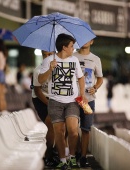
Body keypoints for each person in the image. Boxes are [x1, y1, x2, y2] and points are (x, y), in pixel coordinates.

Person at [38, 34, 87, 170]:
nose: (73, 48)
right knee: (59, 132)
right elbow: (41, 80)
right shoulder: (48, 61)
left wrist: (82, 94)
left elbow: (81, 78)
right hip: (55, 102)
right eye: (71, 46)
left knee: (73, 131)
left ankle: (71, 157)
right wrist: (50, 69)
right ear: (64, 47)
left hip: (72, 101)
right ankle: (62, 160)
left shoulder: (74, 60)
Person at [73, 39, 103, 167]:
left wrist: (95, 87)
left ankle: (83, 156)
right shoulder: (72, 56)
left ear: (92, 42)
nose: (85, 41)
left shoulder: (95, 59)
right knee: (73, 129)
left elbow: (100, 78)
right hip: (73, 99)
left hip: (88, 99)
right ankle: (74, 154)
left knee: (85, 129)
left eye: (88, 39)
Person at [32, 50, 58, 167]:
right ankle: (49, 154)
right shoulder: (38, 70)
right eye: (46, 55)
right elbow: (37, 91)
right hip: (40, 99)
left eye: (50, 55)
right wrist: (49, 104)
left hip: (52, 98)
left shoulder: (59, 68)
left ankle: (56, 151)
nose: (48, 57)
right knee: (50, 122)